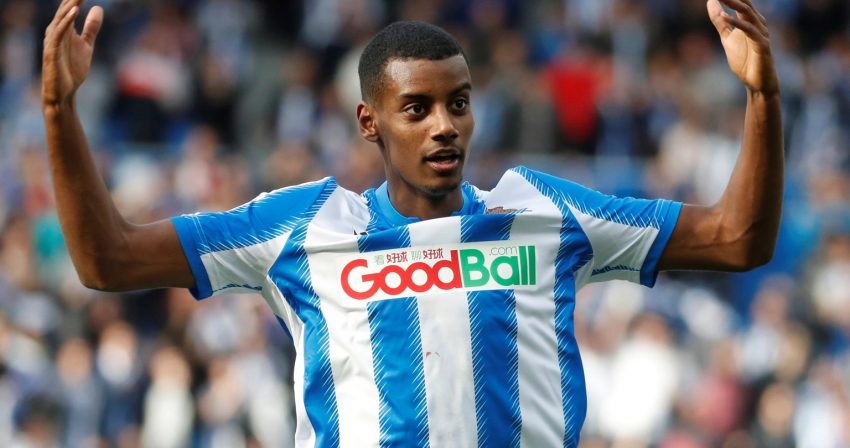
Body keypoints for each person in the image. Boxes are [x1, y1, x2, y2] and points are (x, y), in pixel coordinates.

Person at [41, 0, 782, 446]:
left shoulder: (545, 212)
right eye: (417, 109)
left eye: (458, 103)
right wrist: (58, 111)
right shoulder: (303, 228)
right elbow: (110, 260)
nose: (444, 126)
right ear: (370, 122)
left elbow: (737, 239)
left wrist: (762, 98)